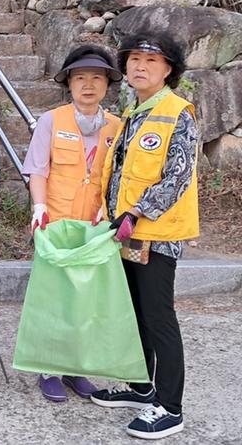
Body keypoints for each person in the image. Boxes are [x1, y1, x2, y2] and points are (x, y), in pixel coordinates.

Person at [90, 33, 198, 440]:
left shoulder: (177, 112)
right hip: (127, 234)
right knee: (133, 312)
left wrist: (135, 212)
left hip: (157, 234)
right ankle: (140, 386)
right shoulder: (134, 111)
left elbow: (177, 177)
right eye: (134, 59)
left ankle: (170, 407)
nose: (139, 66)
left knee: (158, 317)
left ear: (169, 69)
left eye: (151, 61)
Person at [21, 44, 122, 402]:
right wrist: (39, 208)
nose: (88, 85)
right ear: (70, 84)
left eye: (96, 78)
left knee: (86, 299)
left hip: (94, 227)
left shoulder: (116, 127)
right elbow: (36, 168)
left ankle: (77, 368)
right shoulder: (52, 120)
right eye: (81, 78)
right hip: (57, 222)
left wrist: (109, 212)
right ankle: (49, 368)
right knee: (55, 297)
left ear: (107, 85)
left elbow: (120, 177)